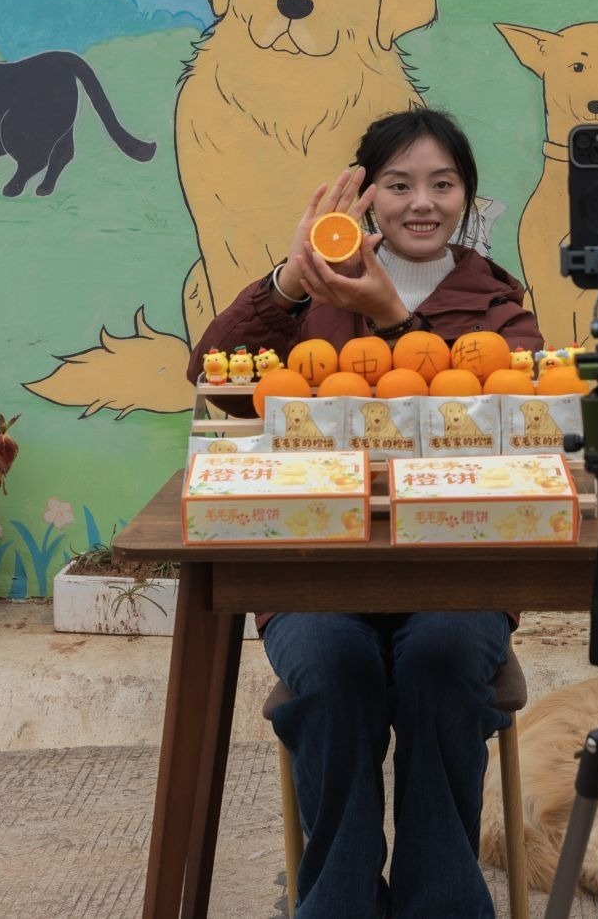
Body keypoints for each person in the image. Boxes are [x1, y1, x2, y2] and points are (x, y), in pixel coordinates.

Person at [191, 107, 543, 919]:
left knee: (443, 659)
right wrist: (287, 281)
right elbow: (211, 372)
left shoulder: (497, 303)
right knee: (332, 665)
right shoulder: (313, 291)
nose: (422, 202)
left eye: (442, 184)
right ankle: (338, 902)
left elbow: (520, 413)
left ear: (466, 196)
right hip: (316, 566)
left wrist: (394, 318)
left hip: (456, 569)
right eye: (399, 183)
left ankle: (440, 904)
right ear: (366, 197)